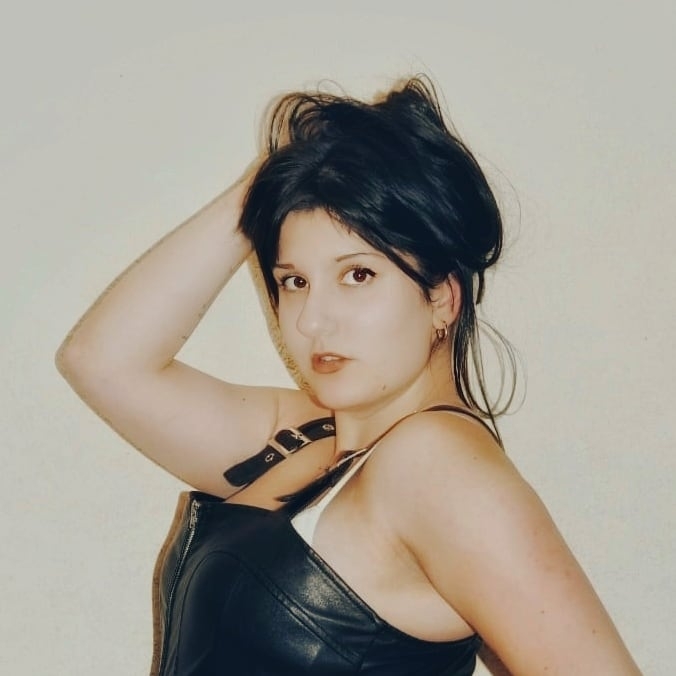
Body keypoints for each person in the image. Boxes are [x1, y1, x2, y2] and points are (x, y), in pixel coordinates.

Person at [56, 75, 641, 675]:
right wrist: (272, 182)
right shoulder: (302, 435)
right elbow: (102, 361)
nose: (312, 320)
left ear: (442, 297)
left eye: (357, 275)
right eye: (294, 281)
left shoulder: (437, 465)